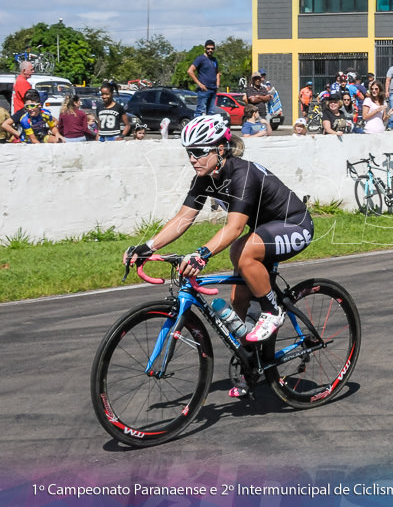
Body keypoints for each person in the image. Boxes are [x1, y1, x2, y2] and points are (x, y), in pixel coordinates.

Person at [123, 116, 314, 352]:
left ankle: (273, 311)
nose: (193, 159)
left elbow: (234, 228)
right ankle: (252, 366)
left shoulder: (242, 174)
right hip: (263, 232)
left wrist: (201, 255)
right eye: (189, 152)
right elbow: (183, 218)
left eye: (199, 152)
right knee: (239, 301)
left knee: (241, 252)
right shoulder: (204, 178)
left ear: (220, 148)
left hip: (294, 225)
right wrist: (148, 247)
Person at [188, 40, 220, 117]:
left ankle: (209, 128)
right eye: (208, 48)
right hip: (204, 90)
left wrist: (217, 84)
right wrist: (200, 84)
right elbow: (190, 71)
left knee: (211, 112)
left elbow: (217, 72)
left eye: (212, 49)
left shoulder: (214, 60)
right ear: (205, 48)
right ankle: (197, 127)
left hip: (213, 89)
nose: (210, 50)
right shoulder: (200, 59)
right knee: (200, 111)